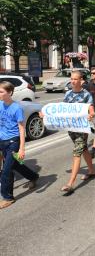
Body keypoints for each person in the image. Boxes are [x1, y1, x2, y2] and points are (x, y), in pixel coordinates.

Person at [0, 81, 39, 209]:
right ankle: (33, 176)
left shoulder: (16, 108)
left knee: (6, 170)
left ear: (9, 92)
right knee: (15, 164)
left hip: (13, 141)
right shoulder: (0, 104)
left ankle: (8, 197)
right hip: (2, 141)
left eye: (1, 91)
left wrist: (22, 149)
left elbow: (21, 129)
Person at [57, 71, 95, 192]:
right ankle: (91, 170)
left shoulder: (86, 95)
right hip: (71, 128)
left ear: (81, 81)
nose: (73, 81)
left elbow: (92, 111)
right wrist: (48, 114)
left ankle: (70, 183)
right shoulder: (68, 94)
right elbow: (62, 109)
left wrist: (90, 116)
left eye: (75, 79)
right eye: (71, 79)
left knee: (77, 152)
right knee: (84, 148)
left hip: (82, 129)